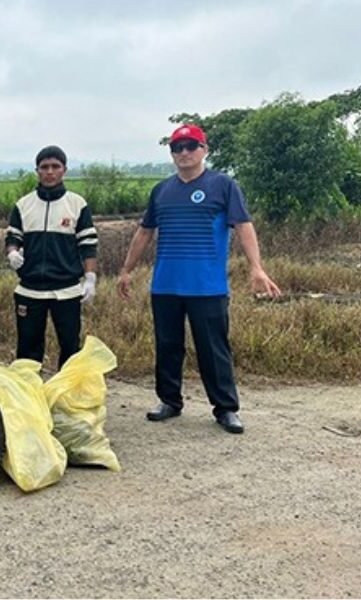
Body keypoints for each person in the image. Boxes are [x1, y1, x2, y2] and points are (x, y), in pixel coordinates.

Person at [117, 124, 282, 434]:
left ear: (204, 149)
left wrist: (256, 267)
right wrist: (126, 270)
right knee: (167, 345)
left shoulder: (223, 186)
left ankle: (226, 408)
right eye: (177, 148)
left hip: (207, 286)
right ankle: (169, 401)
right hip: (166, 284)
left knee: (213, 348)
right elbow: (144, 232)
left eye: (190, 146)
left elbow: (243, 226)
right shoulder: (162, 191)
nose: (183, 153)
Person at [5, 145, 98, 369]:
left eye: (55, 166)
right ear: (37, 170)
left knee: (69, 345)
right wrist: (12, 252)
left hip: (66, 290)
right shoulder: (23, 204)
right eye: (44, 167)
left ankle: (66, 395)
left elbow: (88, 244)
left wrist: (91, 277)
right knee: (28, 347)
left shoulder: (77, 204)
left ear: (64, 170)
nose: (49, 172)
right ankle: (29, 393)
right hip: (29, 289)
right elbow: (12, 237)